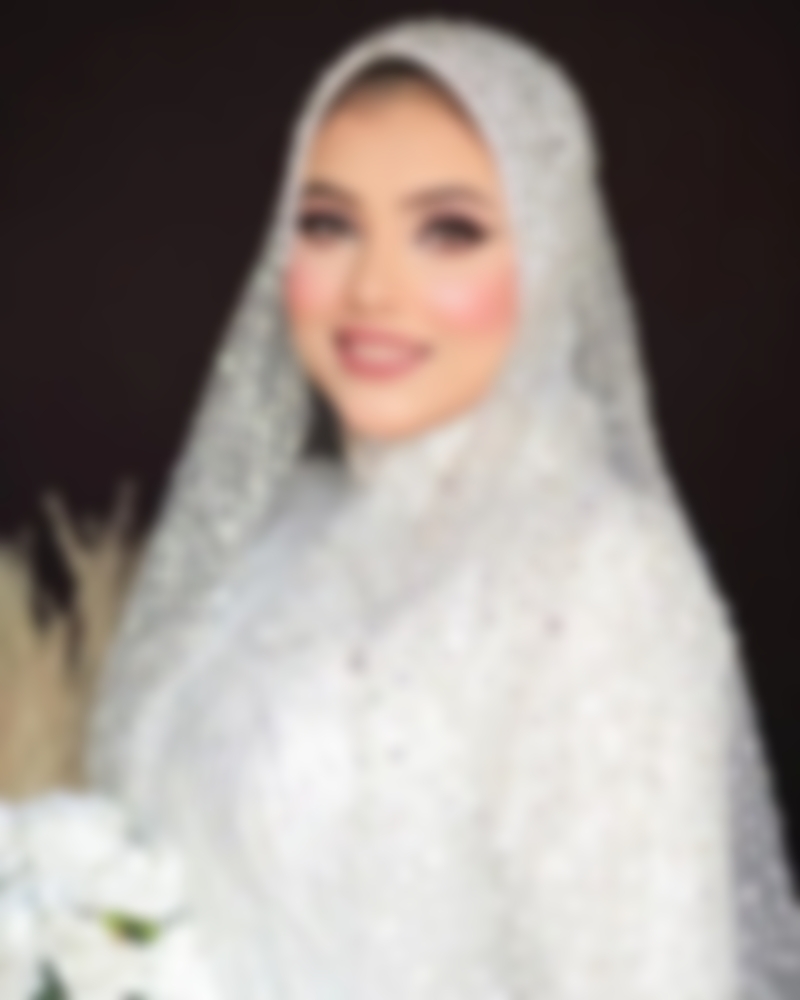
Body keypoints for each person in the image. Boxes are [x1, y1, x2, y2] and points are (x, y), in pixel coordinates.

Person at [88, 16, 800, 999]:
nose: (373, 289)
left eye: (449, 231)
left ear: (550, 256)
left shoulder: (592, 573)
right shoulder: (274, 531)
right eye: (327, 223)